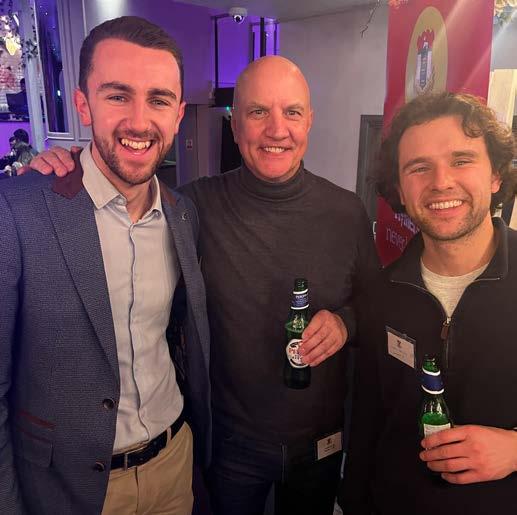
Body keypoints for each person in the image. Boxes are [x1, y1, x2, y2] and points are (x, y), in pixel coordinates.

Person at [29, 55, 379, 515]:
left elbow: (376, 307)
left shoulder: (347, 212)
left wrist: (346, 322)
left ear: (309, 121)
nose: (277, 130)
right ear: (235, 126)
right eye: (258, 112)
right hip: (229, 445)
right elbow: (122, 190)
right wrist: (70, 163)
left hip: (321, 441)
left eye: (292, 112)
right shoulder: (193, 207)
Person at [0, 16, 210, 515]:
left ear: (178, 115)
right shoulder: (18, 212)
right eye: (118, 95)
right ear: (82, 104)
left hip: (172, 465)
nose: (139, 121)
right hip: (68, 488)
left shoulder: (182, 214)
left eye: (158, 100)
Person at [339, 92, 517, 515]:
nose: (441, 182)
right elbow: (368, 421)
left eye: (461, 160)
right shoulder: (381, 293)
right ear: (400, 189)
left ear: (495, 175)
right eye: (419, 167)